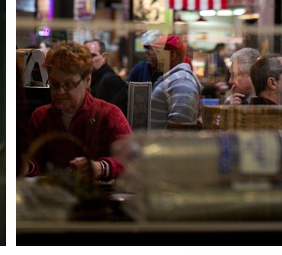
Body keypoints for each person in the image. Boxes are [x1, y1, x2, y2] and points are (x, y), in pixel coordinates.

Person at [25, 41, 132, 181]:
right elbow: (34, 162)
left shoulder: (109, 114)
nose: (60, 92)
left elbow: (132, 161)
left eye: (69, 85)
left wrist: (102, 168)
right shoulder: (40, 117)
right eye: (55, 84)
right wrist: (26, 165)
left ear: (87, 80)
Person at [150, 35, 201, 129]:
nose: (152, 57)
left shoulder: (182, 82)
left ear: (172, 55)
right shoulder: (175, 79)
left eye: (157, 52)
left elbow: (179, 130)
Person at [84, 39, 128, 113]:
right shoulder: (88, 78)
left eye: (93, 56)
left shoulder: (111, 81)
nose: (88, 60)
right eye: (85, 56)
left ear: (103, 57)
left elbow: (116, 116)